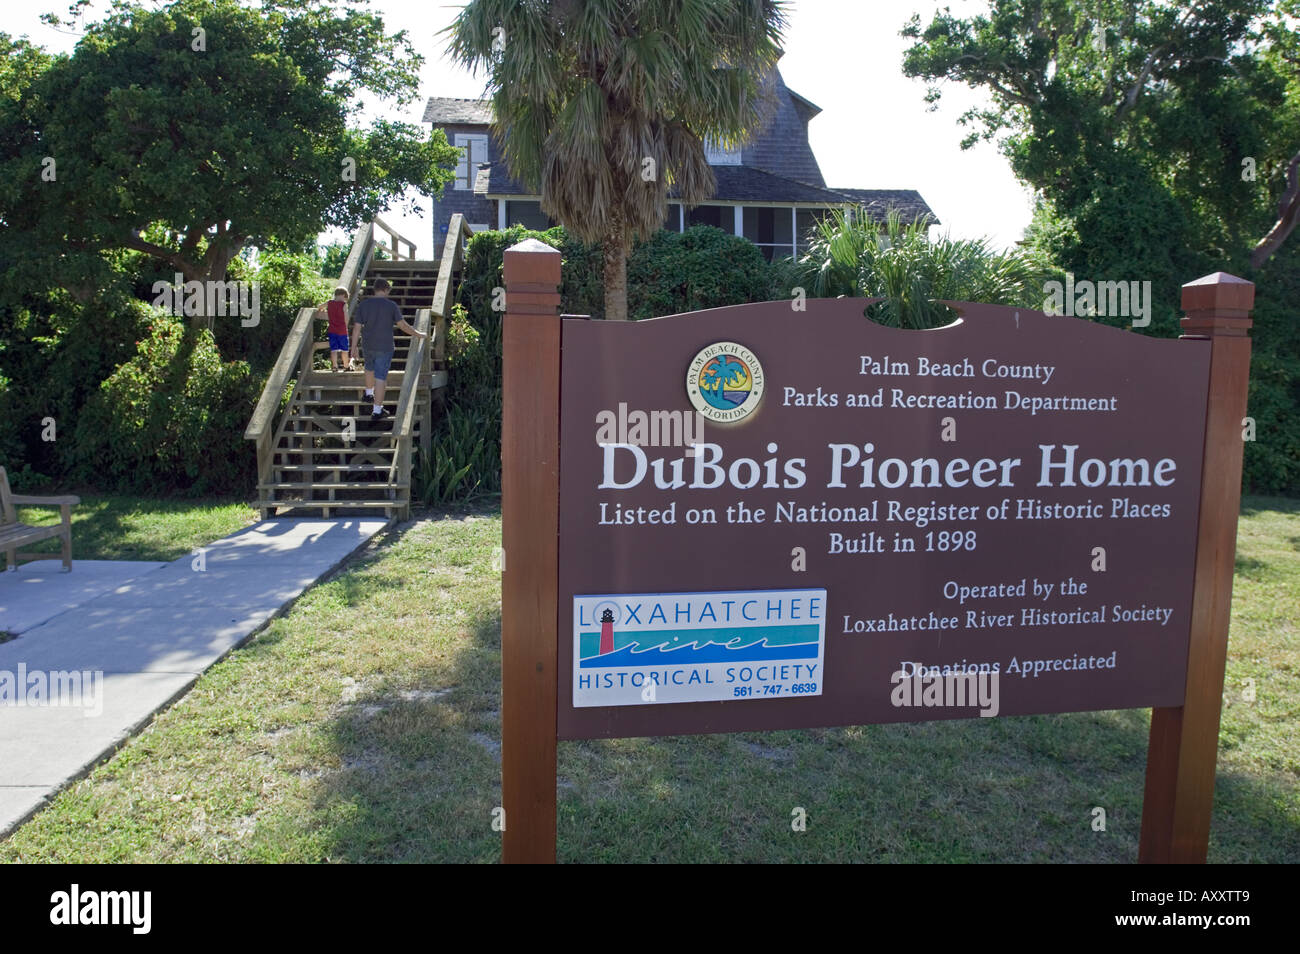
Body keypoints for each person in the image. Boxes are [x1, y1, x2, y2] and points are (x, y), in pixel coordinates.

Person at [349, 278, 427, 420]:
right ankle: (377, 410)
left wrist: (353, 348)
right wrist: (418, 334)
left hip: (367, 344)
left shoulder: (364, 305)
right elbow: (402, 325)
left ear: (375, 289)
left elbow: (356, 329)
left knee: (369, 368)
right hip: (384, 346)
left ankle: (368, 394)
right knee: (380, 378)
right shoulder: (391, 305)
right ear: (385, 289)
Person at [316, 286, 354, 371]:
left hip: (332, 330)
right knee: (344, 349)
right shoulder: (343, 305)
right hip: (342, 331)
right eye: (345, 298)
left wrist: (320, 311)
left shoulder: (329, 303)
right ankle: (346, 365)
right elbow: (346, 318)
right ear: (343, 295)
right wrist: (346, 325)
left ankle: (334, 366)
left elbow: (320, 306)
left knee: (334, 349)